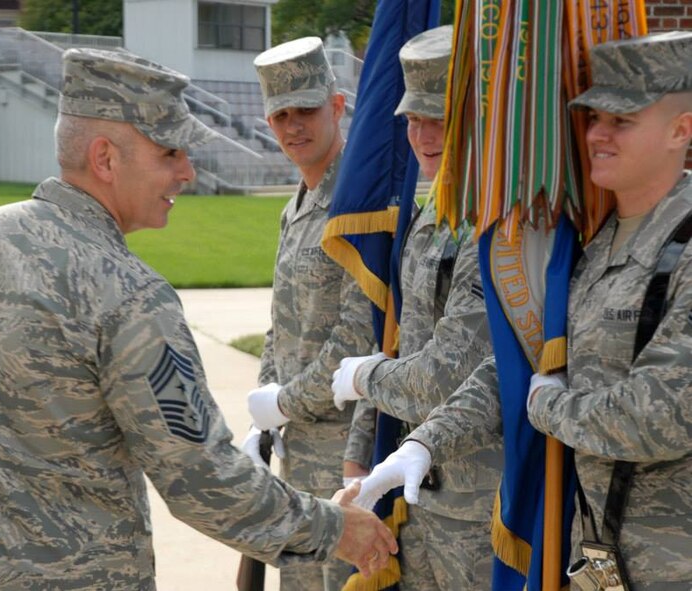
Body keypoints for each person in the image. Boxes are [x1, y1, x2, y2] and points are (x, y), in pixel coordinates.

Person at [0, 48, 398, 591]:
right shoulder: (128, 295)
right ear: (105, 158)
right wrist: (334, 529)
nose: (187, 172)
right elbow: (199, 477)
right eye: (170, 152)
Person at [354, 31, 692, 589]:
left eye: (621, 121)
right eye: (592, 118)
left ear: (681, 128)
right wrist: (424, 441)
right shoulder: (589, 239)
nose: (597, 136)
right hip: (593, 555)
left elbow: (658, 418)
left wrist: (549, 406)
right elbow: (519, 361)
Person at [330, 25, 501, 590]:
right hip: (420, 495)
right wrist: (362, 449)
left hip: (482, 507)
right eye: (411, 120)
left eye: (438, 118)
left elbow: (441, 379)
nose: (422, 136)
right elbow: (404, 339)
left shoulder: (495, 225)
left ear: (476, 118)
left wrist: (362, 376)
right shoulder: (432, 216)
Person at [240, 37, 377, 591]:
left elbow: (359, 331)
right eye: (280, 115)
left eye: (306, 111)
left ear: (338, 106)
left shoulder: (360, 205)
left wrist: (283, 402)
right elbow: (282, 321)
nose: (293, 126)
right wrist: (262, 411)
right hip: (296, 450)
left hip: (346, 455)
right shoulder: (293, 208)